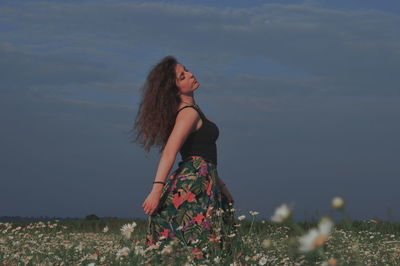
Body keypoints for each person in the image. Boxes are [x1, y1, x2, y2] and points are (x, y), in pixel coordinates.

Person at [131, 55, 237, 256]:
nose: (190, 74)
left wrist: (222, 187)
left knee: (209, 242)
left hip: (205, 180)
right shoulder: (188, 113)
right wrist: (156, 191)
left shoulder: (194, 110)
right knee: (197, 243)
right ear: (175, 89)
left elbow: (200, 156)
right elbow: (170, 152)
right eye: (182, 76)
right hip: (194, 186)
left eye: (186, 70)